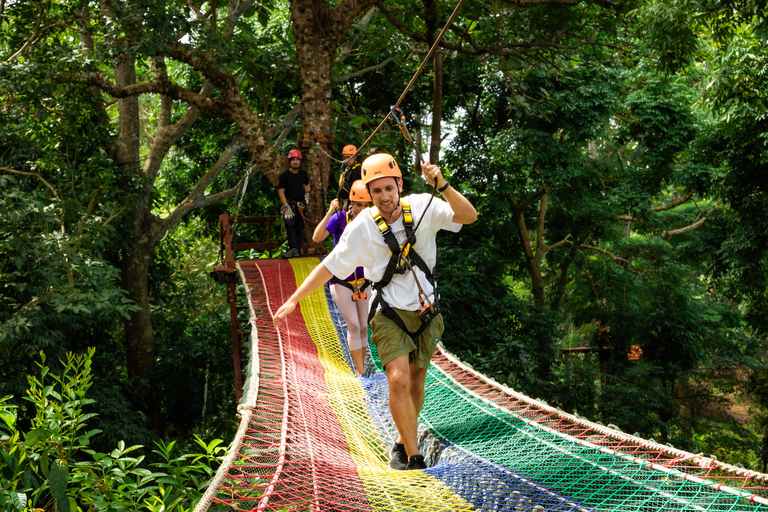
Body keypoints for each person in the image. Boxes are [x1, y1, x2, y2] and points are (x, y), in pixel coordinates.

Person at [273, 153, 477, 471]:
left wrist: (444, 185)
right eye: (376, 190)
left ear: (399, 185)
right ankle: (415, 457)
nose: (384, 196)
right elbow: (328, 267)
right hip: (388, 313)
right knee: (397, 378)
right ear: (369, 193)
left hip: (426, 313)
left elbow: (468, 216)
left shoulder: (424, 204)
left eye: (388, 188)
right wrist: (295, 299)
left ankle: (400, 441)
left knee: (416, 382)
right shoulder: (362, 227)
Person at [312, 180, 372, 376]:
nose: (362, 209)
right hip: (340, 280)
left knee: (364, 326)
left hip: (364, 281)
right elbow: (317, 237)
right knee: (354, 325)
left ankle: (361, 366)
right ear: (351, 204)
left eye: (366, 205)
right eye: (358, 205)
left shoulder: (373, 221)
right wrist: (330, 211)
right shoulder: (339, 218)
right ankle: (361, 372)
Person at [277, 149, 310, 258]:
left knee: (299, 227)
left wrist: (308, 195)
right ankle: (293, 249)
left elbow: (307, 185)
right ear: (289, 161)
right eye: (293, 160)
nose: (295, 162)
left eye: (297, 160)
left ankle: (297, 250)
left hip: (301, 205)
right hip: (289, 205)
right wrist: (286, 206)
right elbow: (281, 192)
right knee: (290, 226)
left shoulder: (303, 174)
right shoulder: (285, 176)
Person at [338, 145, 362, 211]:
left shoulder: (358, 169)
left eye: (348, 157)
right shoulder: (347, 169)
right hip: (345, 200)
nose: (346, 160)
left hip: (353, 200)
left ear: (354, 156)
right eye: (344, 157)